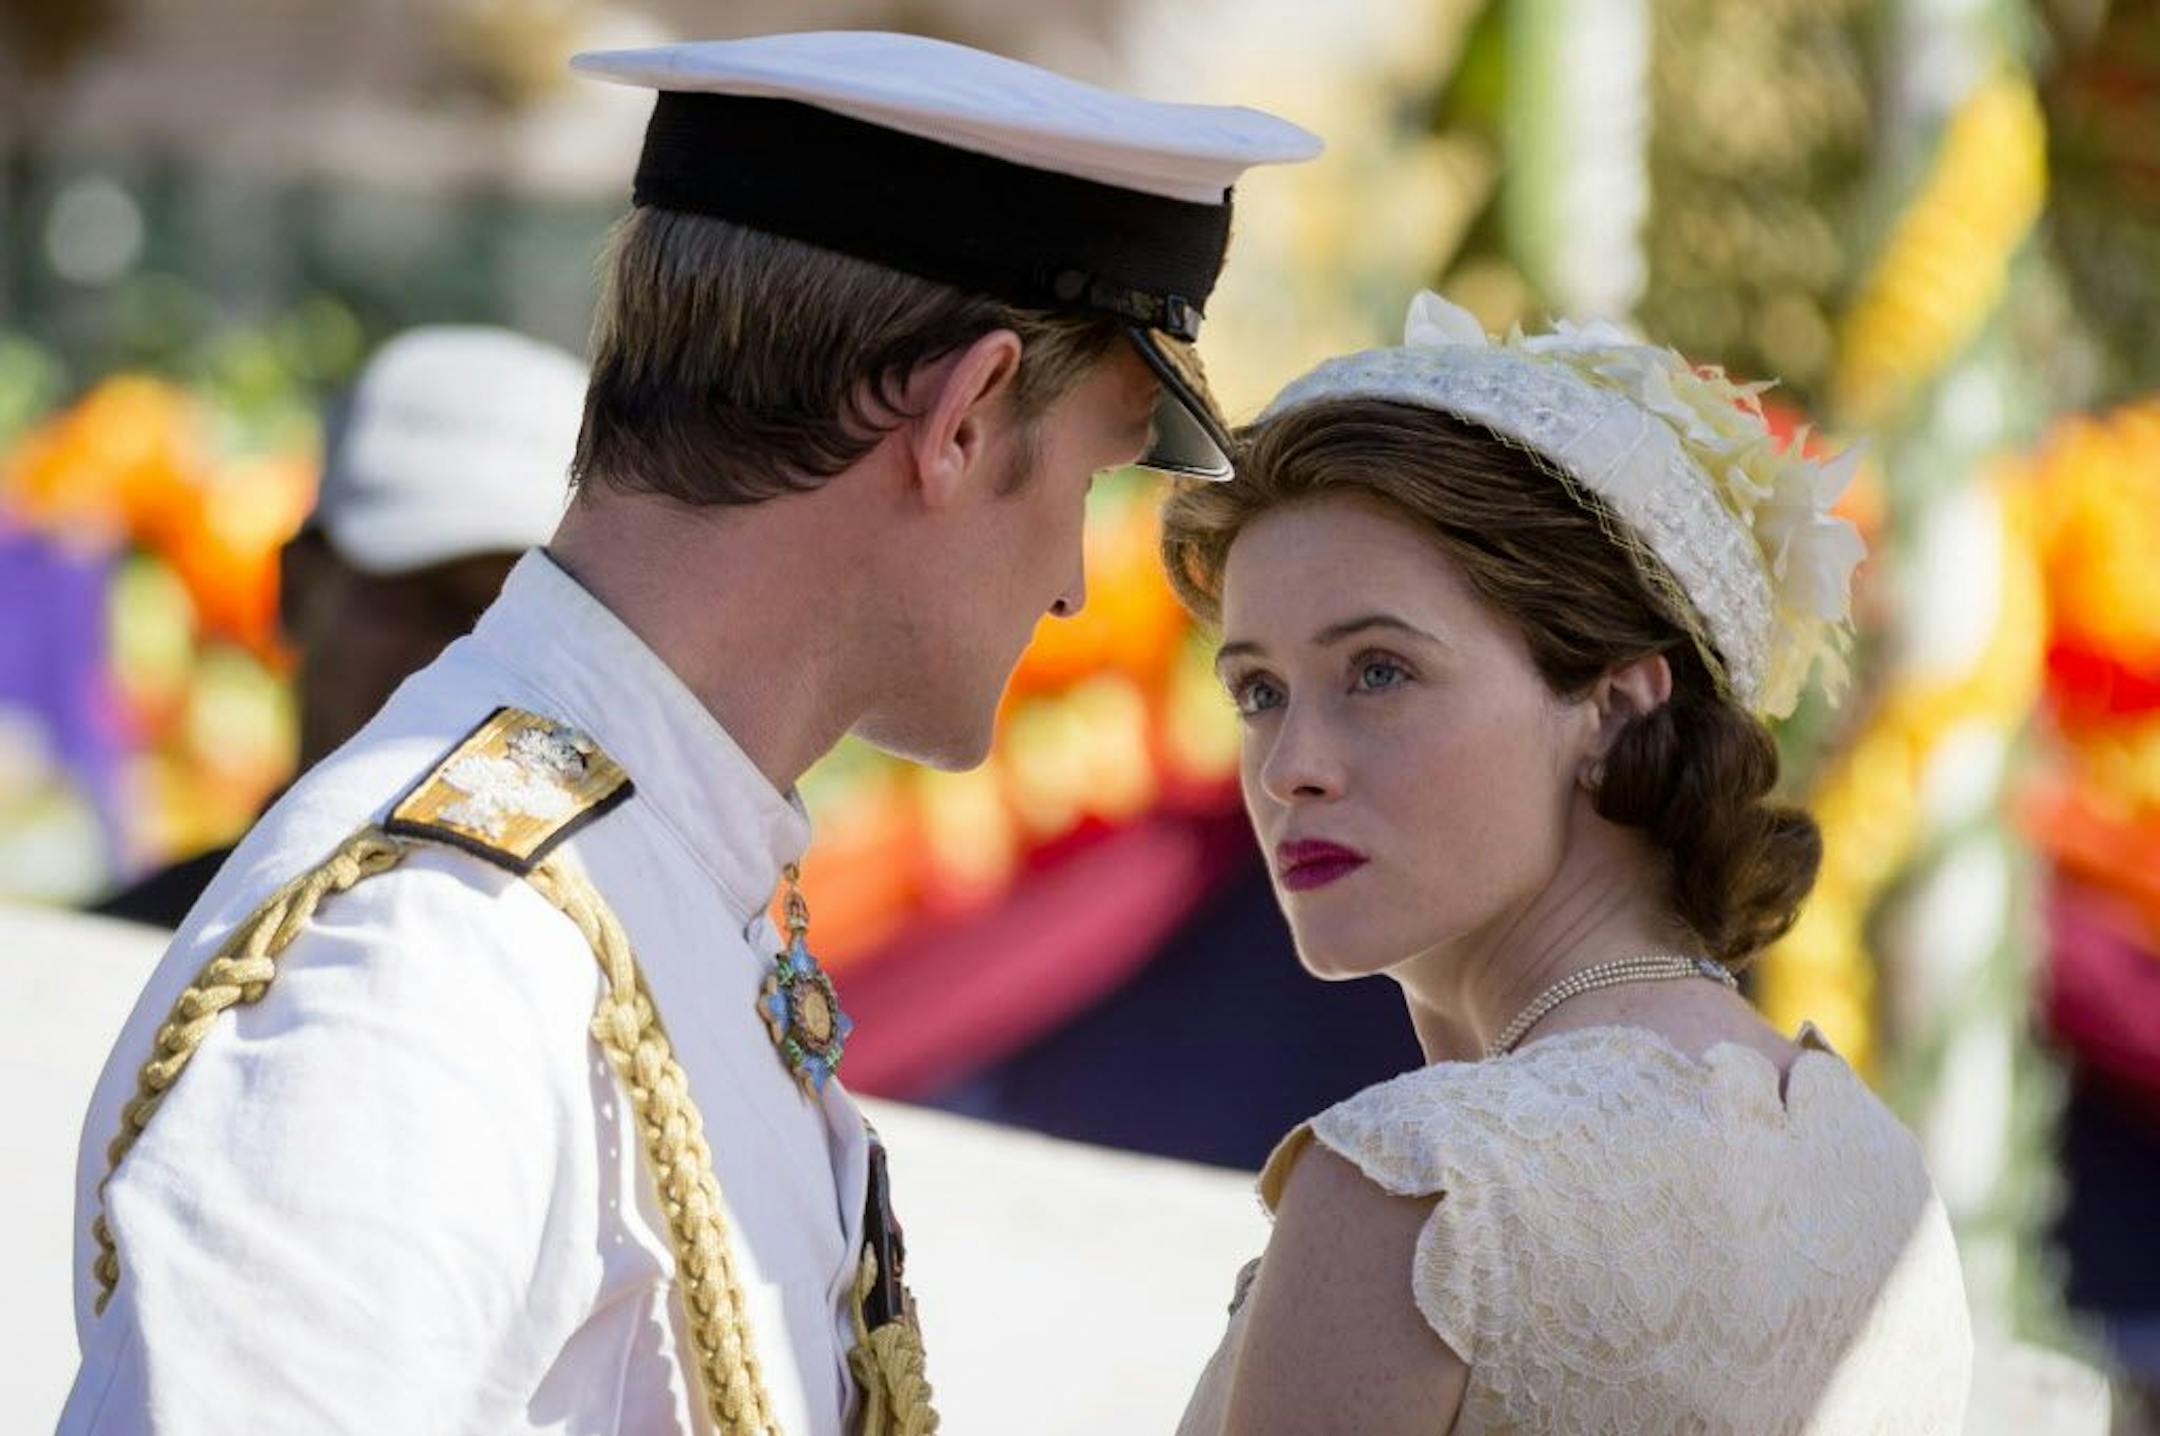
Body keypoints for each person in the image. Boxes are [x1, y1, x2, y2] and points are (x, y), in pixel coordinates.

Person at [60, 31, 1318, 1436]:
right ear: (963, 418)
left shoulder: (628, 864)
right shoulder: (437, 949)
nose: (1076, 581)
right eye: (1093, 471)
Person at [1165, 292, 1973, 1434]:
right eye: (1258, 691)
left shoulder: (1417, 1185)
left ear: (1615, 704)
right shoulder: (1885, 1179)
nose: (1291, 764)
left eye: (1379, 671)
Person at [92, 325, 586, 930]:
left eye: (520, 628)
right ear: (298, 591)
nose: (466, 664)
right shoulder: (107, 966)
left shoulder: (621, 1001)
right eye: (427, 603)